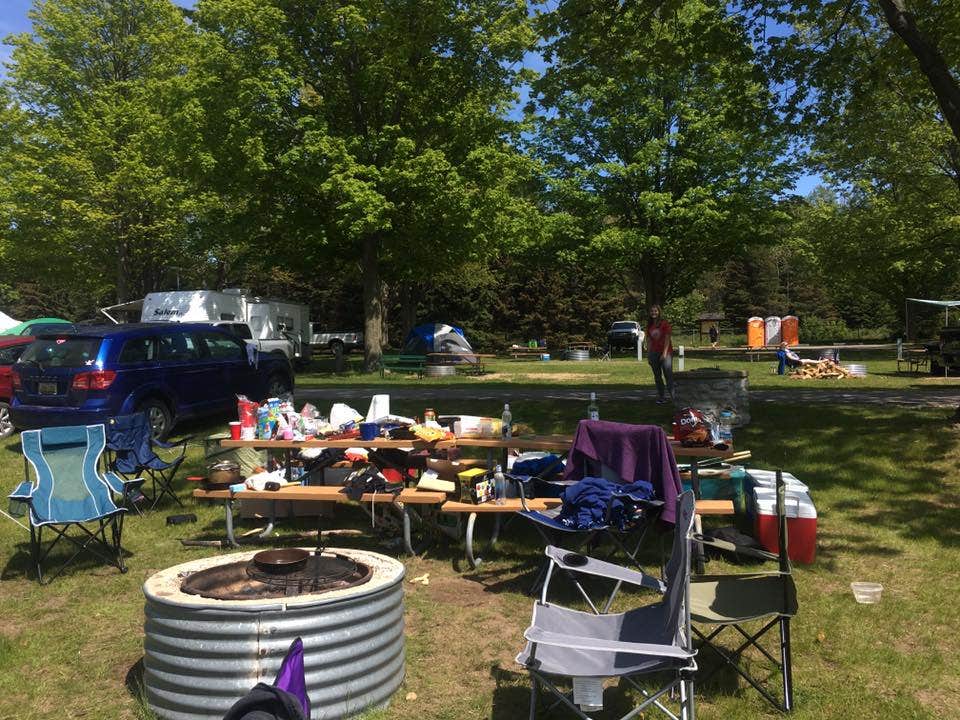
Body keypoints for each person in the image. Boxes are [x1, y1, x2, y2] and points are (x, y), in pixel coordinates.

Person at [645, 305, 674, 404]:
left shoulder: (664, 324)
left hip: (666, 353)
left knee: (668, 375)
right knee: (657, 376)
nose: (654, 313)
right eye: (652, 311)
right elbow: (648, 340)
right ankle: (662, 397)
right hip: (654, 353)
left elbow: (667, 338)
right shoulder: (649, 325)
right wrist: (648, 354)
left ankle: (674, 397)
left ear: (659, 312)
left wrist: (664, 353)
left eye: (655, 311)